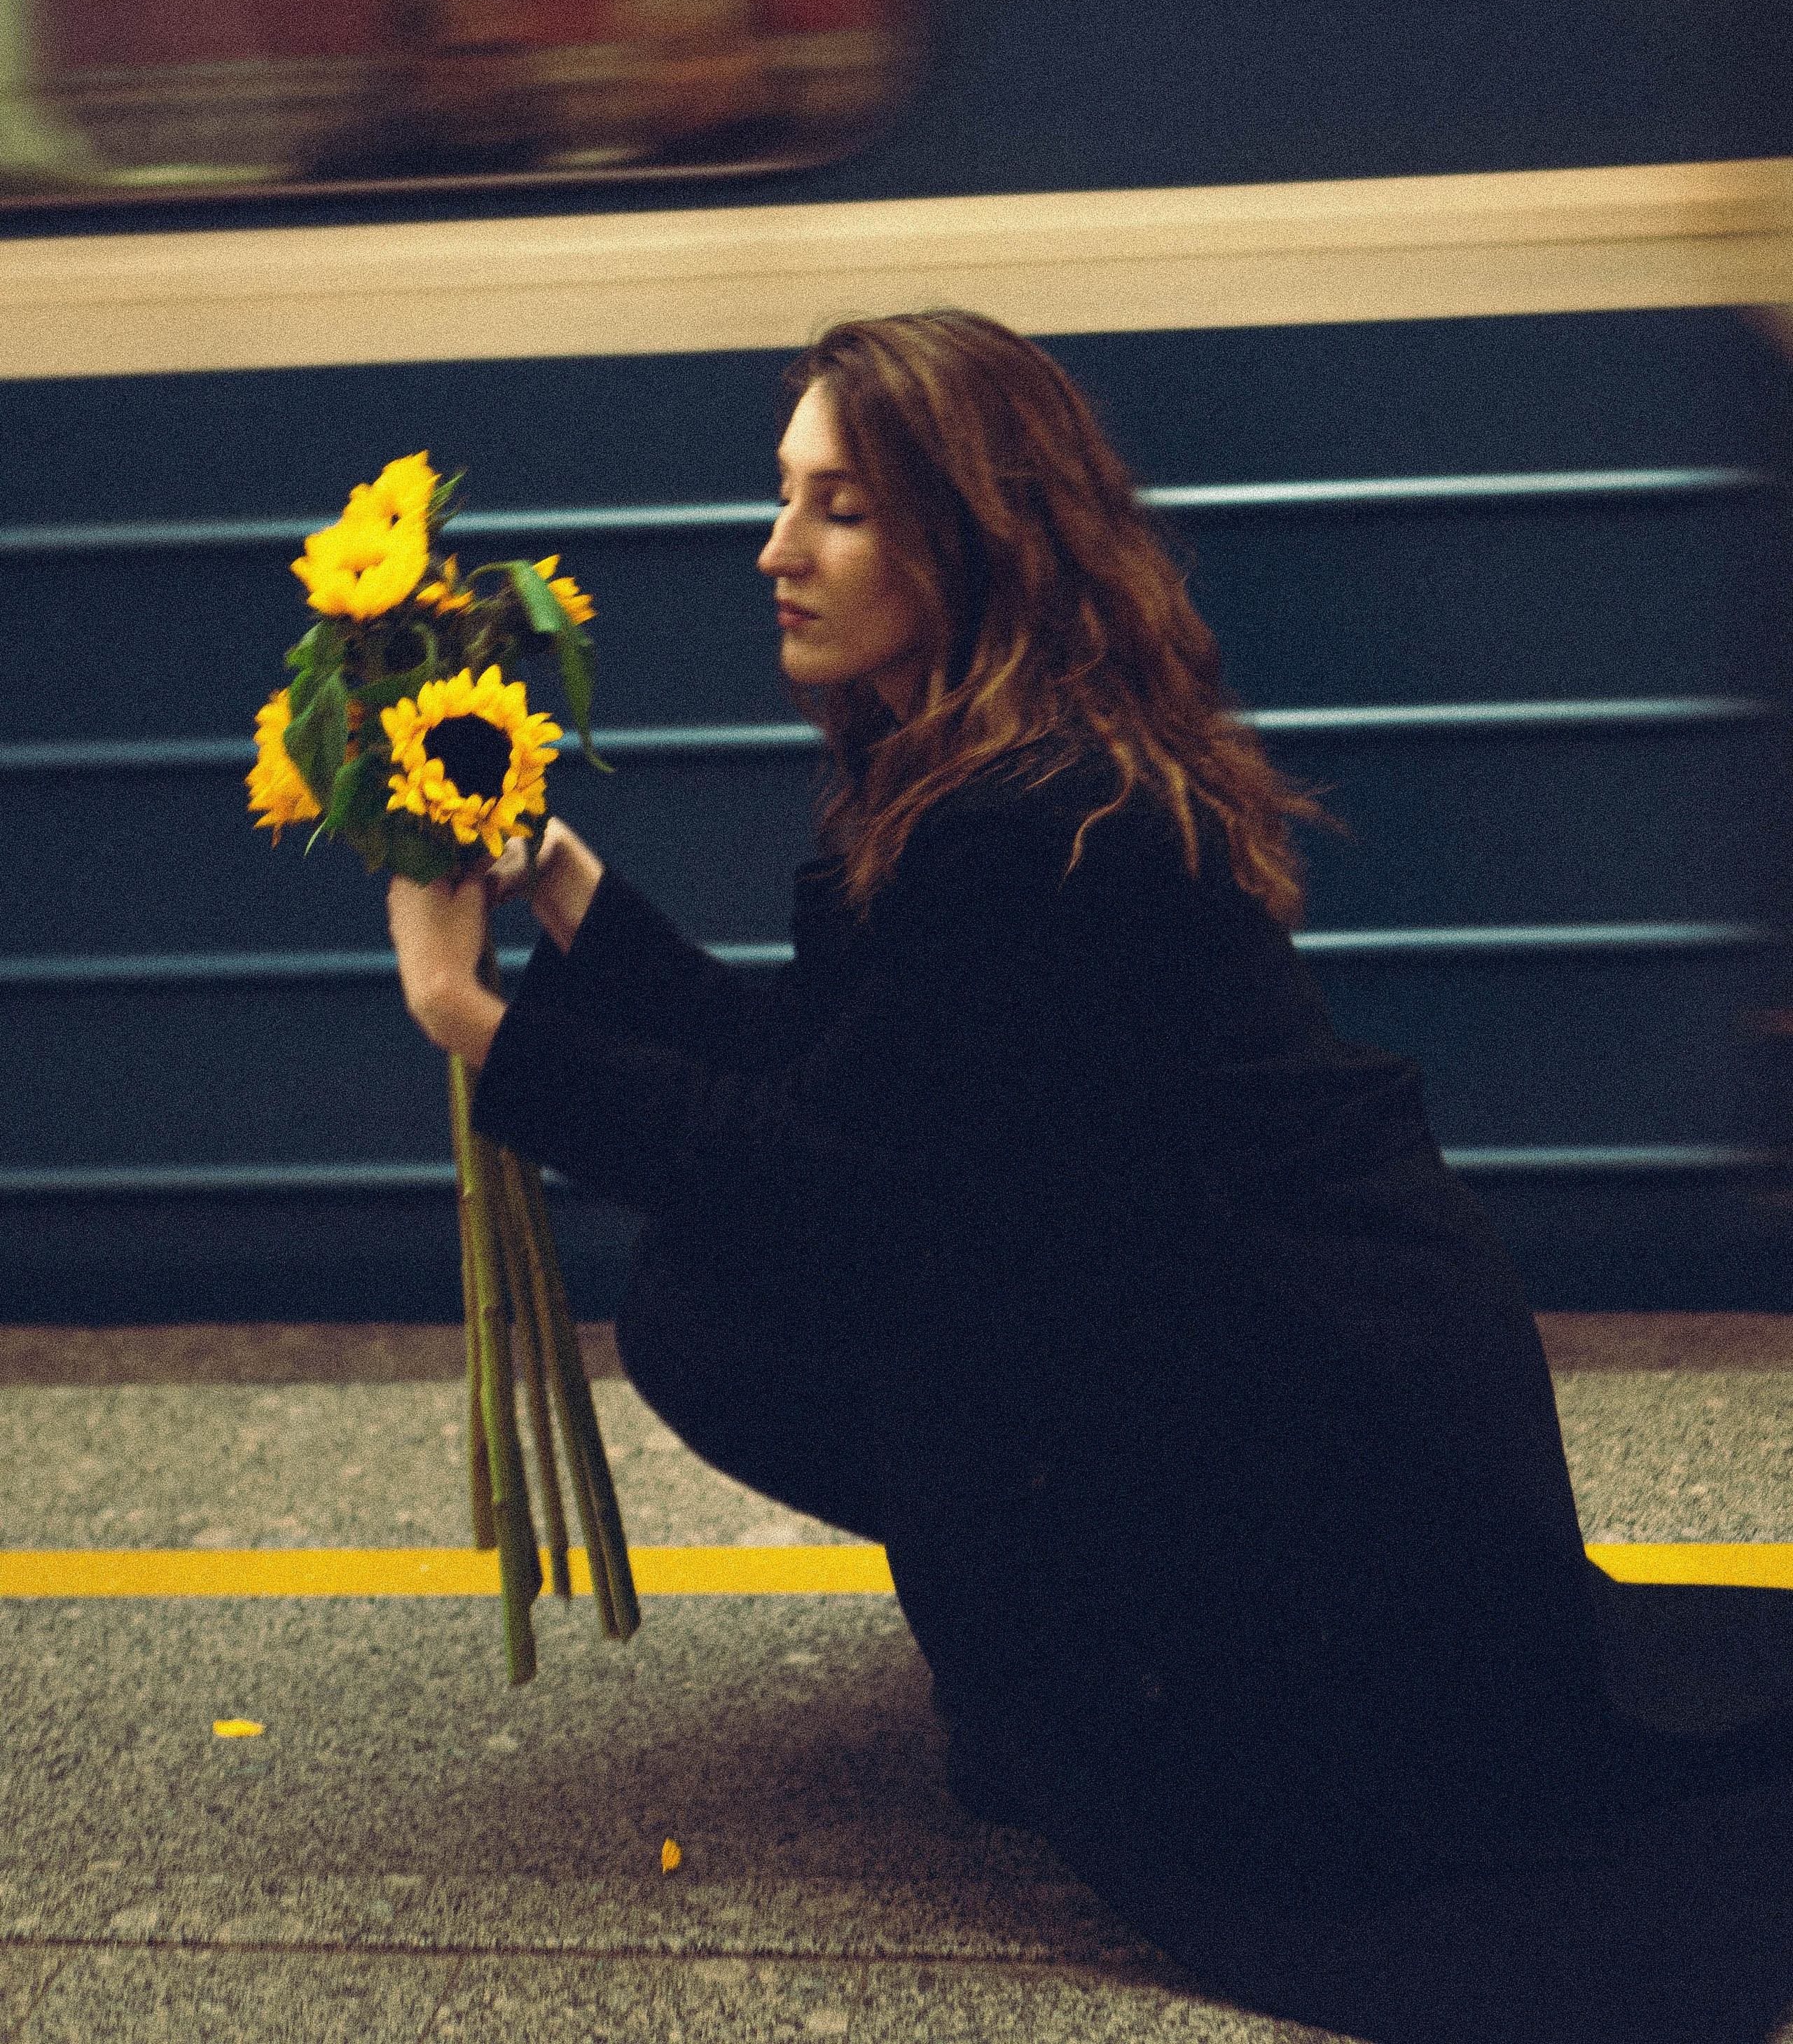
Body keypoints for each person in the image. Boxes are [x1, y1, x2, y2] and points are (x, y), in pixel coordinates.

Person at [387, 309, 1793, 1963]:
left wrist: (472, 1021)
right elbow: (837, 1089)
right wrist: (569, 892)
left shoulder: (1029, 825)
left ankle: (1111, 1650)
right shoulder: (980, 769)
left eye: (838, 508)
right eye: (785, 497)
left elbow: (825, 1194)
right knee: (718, 1282)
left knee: (722, 1297)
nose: (775, 548)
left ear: (974, 534)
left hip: (1303, 1438)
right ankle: (1052, 1625)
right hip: (1282, 1359)